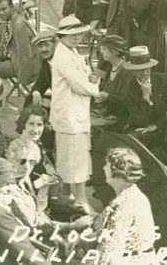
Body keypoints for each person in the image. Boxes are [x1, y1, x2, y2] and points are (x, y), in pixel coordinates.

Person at [72, 148, 157, 265]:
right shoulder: (129, 194)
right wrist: (92, 214)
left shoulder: (125, 206)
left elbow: (107, 255)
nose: (103, 168)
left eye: (107, 165)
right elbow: (111, 225)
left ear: (118, 172)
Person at [51, 16, 99, 214]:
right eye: (72, 35)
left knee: (76, 158)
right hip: (69, 116)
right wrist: (96, 88)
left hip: (75, 114)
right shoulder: (62, 56)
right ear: (62, 36)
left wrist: (91, 77)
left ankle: (73, 198)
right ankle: (80, 201)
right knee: (74, 159)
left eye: (79, 34)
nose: (77, 38)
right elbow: (79, 84)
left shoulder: (72, 51)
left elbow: (86, 74)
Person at [27, 31, 57, 111]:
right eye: (40, 46)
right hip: (58, 98)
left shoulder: (62, 60)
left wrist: (52, 102)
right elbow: (41, 82)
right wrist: (36, 93)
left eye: (47, 45)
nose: (43, 49)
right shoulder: (46, 61)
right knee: (30, 98)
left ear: (54, 45)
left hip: (71, 101)